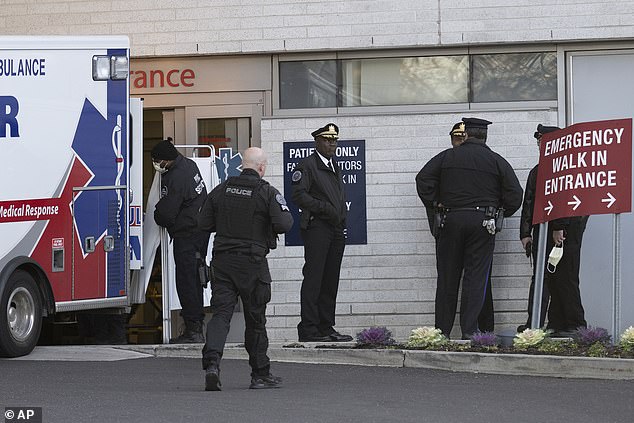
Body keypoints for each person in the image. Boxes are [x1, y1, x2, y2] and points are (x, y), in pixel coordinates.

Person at [416, 117, 523, 339]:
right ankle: (470, 331)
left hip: (450, 220)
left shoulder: (447, 157)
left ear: (466, 135)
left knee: (447, 277)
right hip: (483, 222)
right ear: (485, 136)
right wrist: (500, 211)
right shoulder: (495, 160)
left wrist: (435, 202)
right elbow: (515, 194)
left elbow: (423, 178)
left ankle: (442, 332)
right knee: (476, 278)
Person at [199, 147, 293, 391]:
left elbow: (203, 222)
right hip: (252, 264)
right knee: (255, 319)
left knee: (221, 315)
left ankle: (212, 365)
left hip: (223, 263)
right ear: (261, 168)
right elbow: (284, 223)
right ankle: (260, 374)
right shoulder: (266, 192)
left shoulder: (222, 189)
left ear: (243, 166)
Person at [518, 124, 588, 336]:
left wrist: (559, 228)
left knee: (565, 277)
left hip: (565, 231)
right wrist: (525, 233)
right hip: (544, 230)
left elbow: (568, 202)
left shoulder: (568, 167)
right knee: (545, 277)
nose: (540, 146)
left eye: (543, 142)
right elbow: (529, 202)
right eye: (539, 142)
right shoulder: (538, 170)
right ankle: (547, 323)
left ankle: (574, 324)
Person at [292, 123, 352, 343]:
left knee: (330, 280)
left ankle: (326, 327)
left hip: (335, 228)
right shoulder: (307, 165)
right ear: (317, 141)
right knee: (314, 278)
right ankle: (308, 328)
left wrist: (340, 215)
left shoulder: (335, 164)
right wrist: (325, 208)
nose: (332, 144)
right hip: (318, 226)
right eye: (327, 140)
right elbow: (299, 195)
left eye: (334, 141)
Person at [152, 139, 209, 344]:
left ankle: (193, 330)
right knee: (196, 279)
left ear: (166, 160)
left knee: (187, 281)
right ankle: (196, 327)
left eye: (158, 161)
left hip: (187, 235)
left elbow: (166, 214)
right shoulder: (189, 164)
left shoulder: (175, 176)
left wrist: (156, 213)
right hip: (200, 232)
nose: (157, 165)